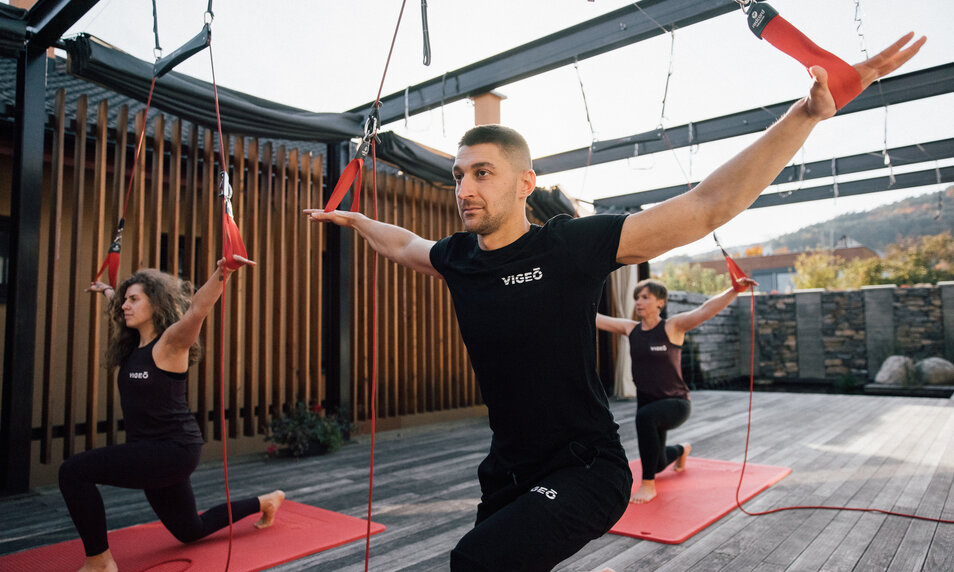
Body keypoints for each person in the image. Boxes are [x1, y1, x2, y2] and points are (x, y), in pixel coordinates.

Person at [304, 32, 923, 572]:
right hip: (508, 467)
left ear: (526, 183)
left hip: (586, 470)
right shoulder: (459, 258)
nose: (464, 187)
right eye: (459, 174)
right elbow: (407, 244)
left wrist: (804, 116)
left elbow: (706, 207)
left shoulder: (571, 246)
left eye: (482, 173)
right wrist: (357, 219)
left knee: (476, 561)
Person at [60, 256, 284, 572]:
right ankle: (266, 501)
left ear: (156, 304)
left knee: (73, 471)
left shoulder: (171, 344)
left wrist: (223, 273)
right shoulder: (134, 347)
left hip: (172, 450)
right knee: (190, 530)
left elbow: (198, 310)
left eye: (134, 299)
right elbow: (116, 307)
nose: (125, 305)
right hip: (155, 453)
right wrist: (108, 290)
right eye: (125, 300)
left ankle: (99, 561)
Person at [597, 277, 757, 504]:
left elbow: (704, 311)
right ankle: (682, 450)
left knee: (644, 418)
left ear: (660, 302)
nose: (638, 302)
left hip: (676, 404)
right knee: (659, 461)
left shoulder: (672, 327)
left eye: (645, 297)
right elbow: (596, 319)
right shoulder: (630, 329)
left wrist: (734, 290)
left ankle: (648, 485)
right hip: (648, 404)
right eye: (636, 298)